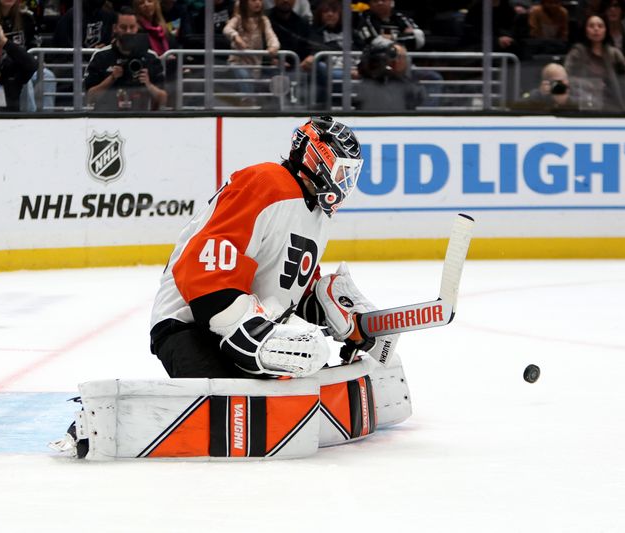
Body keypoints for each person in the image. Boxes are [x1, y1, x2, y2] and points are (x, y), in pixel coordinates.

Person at [150, 116, 397, 379]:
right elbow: (203, 263)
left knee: (308, 360)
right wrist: (244, 328)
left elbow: (284, 285)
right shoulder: (265, 182)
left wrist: (333, 310)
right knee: (239, 400)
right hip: (188, 323)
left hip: (247, 321)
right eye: (341, 170)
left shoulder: (317, 216)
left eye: (350, 174)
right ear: (316, 158)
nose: (345, 181)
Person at [84, 8, 167, 111]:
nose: (128, 32)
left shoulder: (150, 57)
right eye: (123, 27)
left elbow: (164, 99)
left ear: (137, 28)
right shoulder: (101, 56)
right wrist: (112, 78)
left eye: (132, 27)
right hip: (107, 119)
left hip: (141, 119)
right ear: (115, 28)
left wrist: (149, 84)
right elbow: (89, 98)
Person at [222, 0, 280, 105]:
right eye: (253, 0)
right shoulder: (238, 19)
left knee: (254, 80)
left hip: (254, 63)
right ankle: (248, 101)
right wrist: (236, 37)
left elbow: (271, 35)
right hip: (237, 61)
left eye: (259, 0)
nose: (257, 3)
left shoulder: (263, 20)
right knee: (244, 75)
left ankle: (252, 102)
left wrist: (273, 46)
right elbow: (227, 29)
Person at [565, 14, 625, 111]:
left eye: (600, 26)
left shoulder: (614, 54)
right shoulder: (577, 53)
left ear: (606, 30)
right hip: (583, 102)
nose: (596, 29)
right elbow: (566, 77)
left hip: (611, 103)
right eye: (591, 26)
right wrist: (586, 83)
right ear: (585, 30)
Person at [354, 36, 426, 111]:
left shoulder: (408, 84)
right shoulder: (368, 83)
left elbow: (419, 97)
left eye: (402, 57)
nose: (397, 61)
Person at [514, 62, 579, 111]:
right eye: (557, 82)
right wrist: (542, 96)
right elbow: (517, 106)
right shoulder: (537, 95)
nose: (562, 84)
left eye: (565, 79)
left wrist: (566, 101)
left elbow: (584, 105)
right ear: (547, 83)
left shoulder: (573, 92)